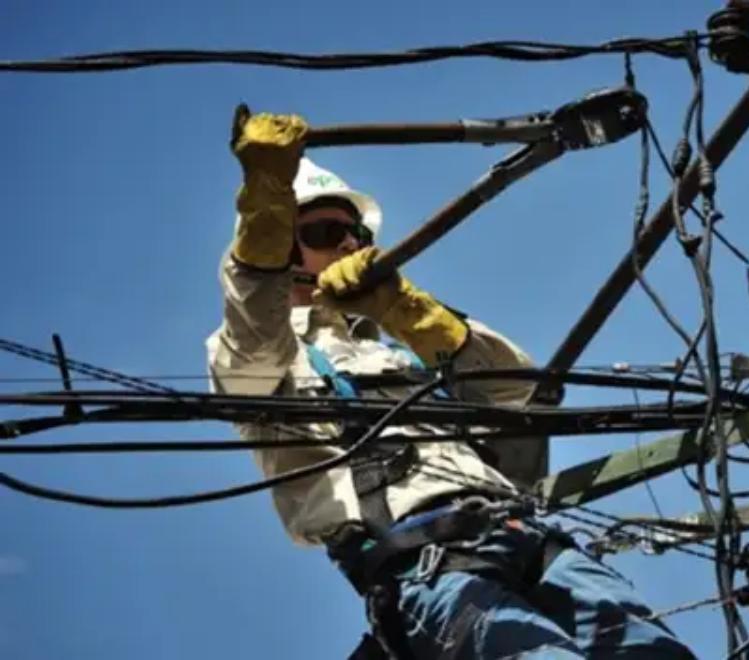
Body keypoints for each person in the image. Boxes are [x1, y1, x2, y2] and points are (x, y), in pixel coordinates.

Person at [206, 111, 695, 659]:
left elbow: (517, 393)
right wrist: (265, 209)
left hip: (533, 541)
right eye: (324, 233)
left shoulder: (395, 350)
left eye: (357, 234)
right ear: (281, 246)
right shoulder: (262, 359)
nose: (347, 245)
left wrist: (406, 310)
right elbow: (254, 330)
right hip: (426, 562)